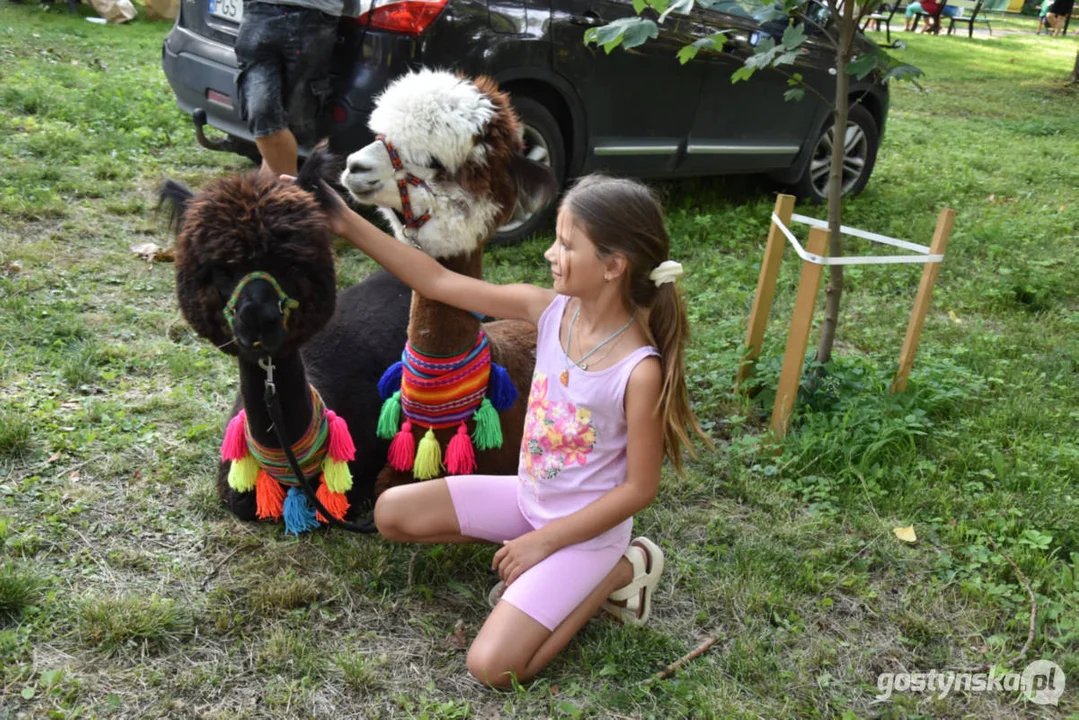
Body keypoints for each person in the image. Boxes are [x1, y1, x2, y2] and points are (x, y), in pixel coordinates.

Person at [324, 174, 709, 688]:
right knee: (391, 512)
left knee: (492, 668)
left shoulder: (638, 371)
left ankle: (621, 570)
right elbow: (437, 282)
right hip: (528, 500)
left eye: (567, 245)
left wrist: (544, 544)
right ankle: (545, 567)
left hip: (584, 535)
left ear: (614, 267)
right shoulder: (548, 312)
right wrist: (345, 221)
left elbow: (640, 489)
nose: (551, 252)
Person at [234, 0, 348, 177]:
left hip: (316, 16)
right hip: (260, 10)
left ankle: (274, 198)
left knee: (292, 126)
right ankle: (295, 195)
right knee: (262, 114)